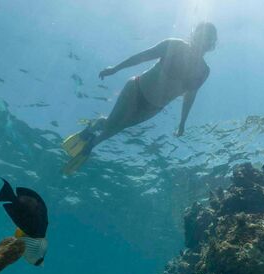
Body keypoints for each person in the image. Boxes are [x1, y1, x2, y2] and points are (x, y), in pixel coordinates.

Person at [62, 22, 217, 174]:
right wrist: (114, 69)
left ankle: (90, 143)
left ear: (212, 43)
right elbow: (142, 57)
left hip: (153, 108)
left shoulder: (204, 71)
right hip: (136, 90)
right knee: (112, 125)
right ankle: (91, 133)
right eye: (201, 35)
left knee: (118, 126)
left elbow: (190, 96)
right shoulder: (175, 45)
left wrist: (182, 122)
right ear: (194, 34)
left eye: (208, 38)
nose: (204, 40)